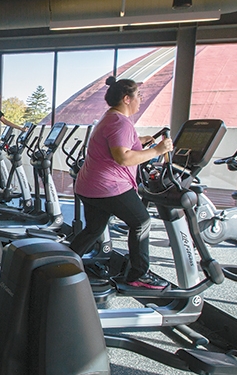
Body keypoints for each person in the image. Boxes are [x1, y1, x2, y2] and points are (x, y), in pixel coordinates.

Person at [69, 77, 173, 289]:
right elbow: (123, 157)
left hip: (89, 186)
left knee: (94, 228)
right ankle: (138, 275)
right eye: (138, 96)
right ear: (127, 99)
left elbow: (117, 143)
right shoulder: (120, 122)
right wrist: (157, 151)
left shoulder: (110, 118)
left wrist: (139, 140)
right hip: (108, 187)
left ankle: (63, 262)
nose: (141, 100)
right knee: (141, 222)